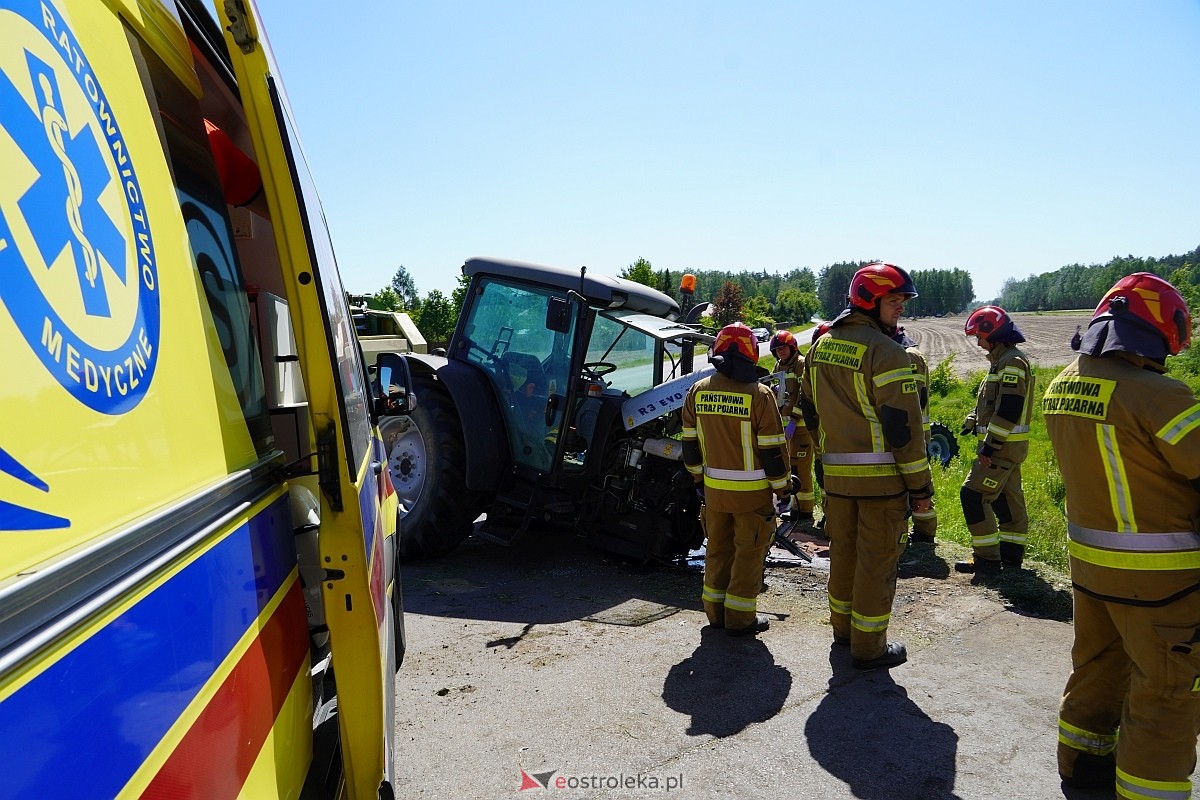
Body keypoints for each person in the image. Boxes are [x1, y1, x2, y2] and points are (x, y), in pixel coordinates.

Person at [1043, 273, 1200, 793]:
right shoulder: (1161, 395)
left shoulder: (1061, 384)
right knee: (1166, 692)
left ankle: (1082, 769)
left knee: (1097, 669)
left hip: (1091, 568)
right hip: (1164, 581)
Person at [799, 263, 933, 670]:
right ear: (869, 301)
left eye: (903, 301)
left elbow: (809, 409)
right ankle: (869, 646)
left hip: (837, 480)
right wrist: (921, 488)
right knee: (876, 563)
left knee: (843, 557)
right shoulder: (887, 352)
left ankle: (843, 632)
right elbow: (903, 431)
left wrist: (825, 461)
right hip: (882, 484)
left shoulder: (820, 347)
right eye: (894, 301)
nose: (901, 309)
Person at [682, 323, 791, 636]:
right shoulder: (760, 395)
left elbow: (689, 445)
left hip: (714, 494)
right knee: (748, 553)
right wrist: (783, 489)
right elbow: (773, 453)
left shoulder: (698, 391)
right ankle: (740, 619)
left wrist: (698, 481)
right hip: (752, 497)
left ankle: (715, 614)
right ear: (751, 353)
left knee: (717, 549)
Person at [955, 305, 1034, 578]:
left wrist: (990, 446)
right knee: (1008, 504)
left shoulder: (1011, 362)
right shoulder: (1003, 361)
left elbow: (1010, 408)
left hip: (1001, 449)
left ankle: (987, 561)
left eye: (979, 336)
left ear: (992, 333)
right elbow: (994, 402)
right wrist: (972, 419)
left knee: (973, 496)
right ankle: (1011, 561)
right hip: (1008, 448)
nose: (977, 342)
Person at [890, 325, 937, 543]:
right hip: (905, 430)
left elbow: (916, 398)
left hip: (914, 432)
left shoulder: (909, 356)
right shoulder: (902, 354)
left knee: (917, 483)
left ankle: (924, 533)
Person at [768, 330, 818, 533]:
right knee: (790, 468)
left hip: (802, 427)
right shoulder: (779, 366)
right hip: (786, 427)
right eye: (777, 349)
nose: (781, 352)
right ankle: (795, 507)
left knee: (801, 468)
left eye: (783, 348)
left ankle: (805, 512)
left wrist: (794, 419)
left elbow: (806, 394)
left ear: (793, 347)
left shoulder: (801, 363)